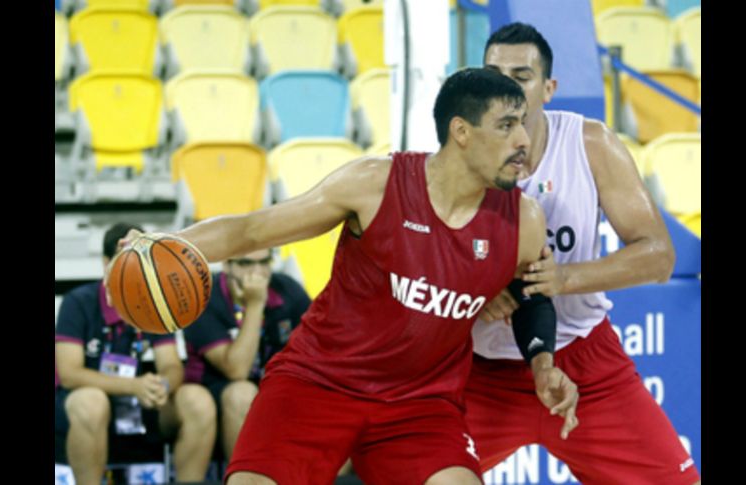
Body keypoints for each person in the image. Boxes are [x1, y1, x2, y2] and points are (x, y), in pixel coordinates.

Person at [121, 68, 578, 485]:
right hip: (317, 382)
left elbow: (531, 296)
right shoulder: (375, 184)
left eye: (523, 122)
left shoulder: (523, 220)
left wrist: (543, 365)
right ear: (461, 131)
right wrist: (168, 244)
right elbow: (252, 229)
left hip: (419, 404)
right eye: (507, 125)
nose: (524, 138)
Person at [465, 23, 700, 484]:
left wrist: (565, 279)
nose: (504, 86)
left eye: (521, 75)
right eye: (493, 72)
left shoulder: (589, 143)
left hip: (582, 358)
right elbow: (423, 255)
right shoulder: (458, 153)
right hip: (480, 366)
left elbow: (659, 256)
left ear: (549, 88)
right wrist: (474, 292)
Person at [55, 223, 216, 485]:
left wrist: (160, 385)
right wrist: (132, 386)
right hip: (85, 402)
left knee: (197, 399)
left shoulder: (154, 300)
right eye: (126, 262)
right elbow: (70, 374)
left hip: (138, 404)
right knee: (91, 402)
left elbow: (171, 365)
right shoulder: (78, 302)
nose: (134, 270)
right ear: (106, 264)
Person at [181, 247, 311, 461]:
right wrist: (256, 304)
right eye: (245, 264)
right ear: (226, 265)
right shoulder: (202, 297)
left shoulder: (287, 289)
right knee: (243, 393)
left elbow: (322, 343)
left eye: (264, 262)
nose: (257, 272)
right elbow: (237, 370)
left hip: (274, 388)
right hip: (215, 393)